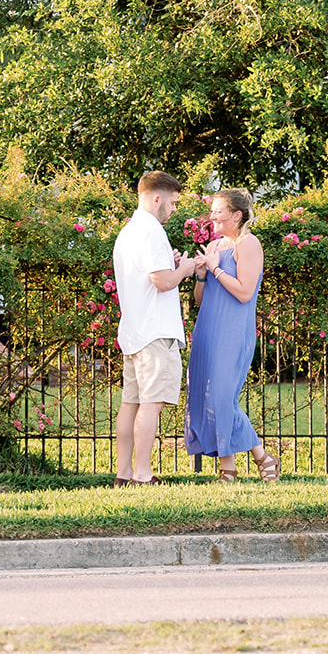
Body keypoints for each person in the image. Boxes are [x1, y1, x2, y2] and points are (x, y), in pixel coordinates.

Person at [112, 170, 201, 485]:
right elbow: (162, 281)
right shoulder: (151, 231)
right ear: (157, 198)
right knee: (151, 405)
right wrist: (187, 269)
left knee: (130, 404)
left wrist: (172, 265)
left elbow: (151, 274)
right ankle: (143, 474)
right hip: (155, 333)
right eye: (173, 203)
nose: (174, 209)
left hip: (135, 331)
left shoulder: (129, 232)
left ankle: (123, 474)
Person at [185, 188, 279, 482]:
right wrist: (202, 273)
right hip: (207, 330)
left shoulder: (249, 244)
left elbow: (244, 292)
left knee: (224, 398)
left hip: (233, 331)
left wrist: (215, 268)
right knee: (209, 397)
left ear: (237, 216)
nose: (212, 216)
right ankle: (228, 469)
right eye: (212, 211)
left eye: (218, 211)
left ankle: (263, 457)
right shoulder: (214, 246)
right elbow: (201, 299)